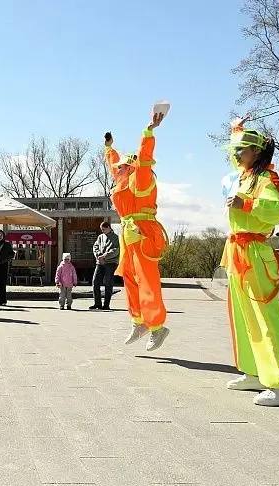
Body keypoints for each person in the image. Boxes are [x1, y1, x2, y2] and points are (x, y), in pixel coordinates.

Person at [222, 117, 279, 407]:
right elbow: (237, 156)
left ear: (256, 152)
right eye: (235, 150)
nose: (235, 155)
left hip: (255, 252)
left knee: (267, 317)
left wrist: (247, 204)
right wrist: (237, 131)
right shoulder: (245, 175)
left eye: (241, 150)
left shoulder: (267, 178)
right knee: (243, 316)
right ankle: (255, 372)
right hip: (238, 252)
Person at [104, 110, 170, 351]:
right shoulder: (122, 180)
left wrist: (148, 132)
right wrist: (109, 148)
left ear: (131, 167)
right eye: (119, 167)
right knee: (130, 278)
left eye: (123, 166)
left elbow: (144, 157)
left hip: (143, 233)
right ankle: (139, 321)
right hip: (129, 234)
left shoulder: (140, 178)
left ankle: (157, 326)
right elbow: (113, 165)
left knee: (147, 280)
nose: (118, 169)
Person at [91, 222, 119, 310]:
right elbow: (95, 247)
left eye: (103, 229)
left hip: (111, 262)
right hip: (100, 262)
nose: (102, 231)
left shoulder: (116, 237)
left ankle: (106, 305)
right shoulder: (100, 237)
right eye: (101, 229)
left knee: (108, 283)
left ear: (109, 228)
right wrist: (98, 255)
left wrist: (104, 256)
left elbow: (116, 250)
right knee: (95, 282)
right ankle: (97, 304)